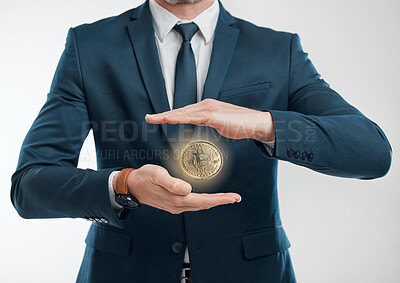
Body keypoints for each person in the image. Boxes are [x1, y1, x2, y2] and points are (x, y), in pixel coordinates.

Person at [10, 0, 392, 282]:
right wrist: (124, 184)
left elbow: (372, 151)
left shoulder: (278, 51)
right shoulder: (90, 46)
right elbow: (31, 185)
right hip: (123, 271)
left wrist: (263, 123)